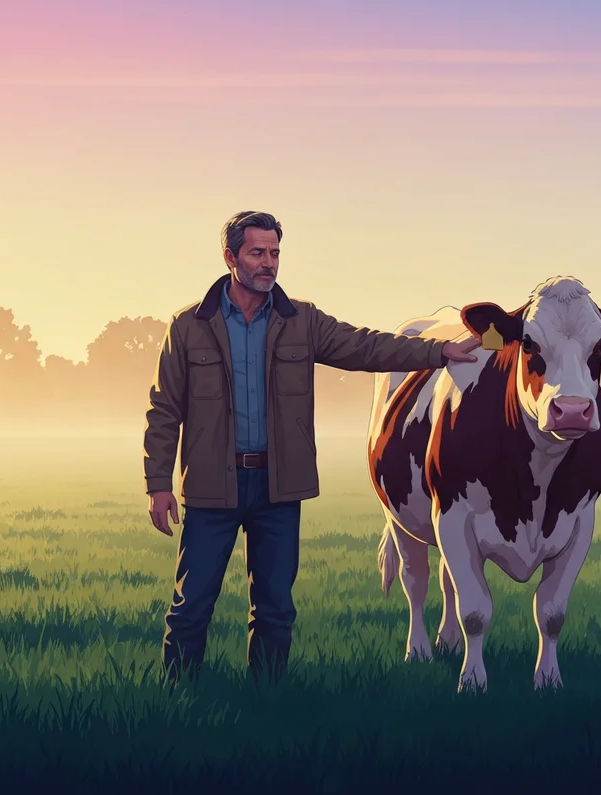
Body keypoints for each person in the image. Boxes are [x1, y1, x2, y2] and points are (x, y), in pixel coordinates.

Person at [144, 210, 479, 685]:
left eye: (275, 253)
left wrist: (438, 352)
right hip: (210, 486)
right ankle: (178, 694)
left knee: (275, 607)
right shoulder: (188, 325)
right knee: (192, 602)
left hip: (279, 486)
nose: (269, 263)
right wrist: (158, 484)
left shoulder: (301, 320)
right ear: (230, 258)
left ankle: (268, 696)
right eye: (257, 253)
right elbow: (164, 409)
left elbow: (367, 348)